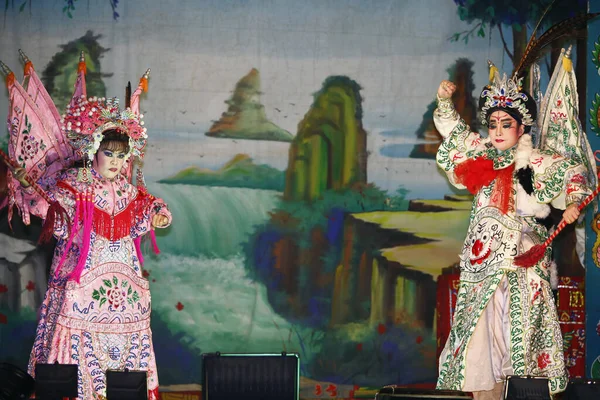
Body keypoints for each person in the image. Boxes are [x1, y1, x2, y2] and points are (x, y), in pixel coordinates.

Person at [433, 67, 591, 399]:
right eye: (493, 124)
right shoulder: (482, 153)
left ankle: (522, 389)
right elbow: (454, 132)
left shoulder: (534, 161)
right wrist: (445, 102)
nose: (499, 131)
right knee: (478, 335)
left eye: (506, 124)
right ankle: (485, 392)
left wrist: (575, 202)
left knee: (517, 329)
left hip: (521, 256)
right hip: (483, 260)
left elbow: (573, 171)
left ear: (521, 127)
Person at [13, 114, 171, 398]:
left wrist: (158, 214)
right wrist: (28, 188)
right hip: (82, 288)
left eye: (122, 156)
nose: (115, 161)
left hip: (124, 295)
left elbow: (150, 208)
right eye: (108, 153)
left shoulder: (128, 191)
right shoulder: (74, 185)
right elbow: (51, 213)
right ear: (93, 151)